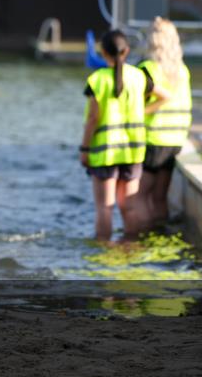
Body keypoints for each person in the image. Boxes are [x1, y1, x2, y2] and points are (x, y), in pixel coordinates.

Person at [79, 30, 170, 241]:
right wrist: (144, 111)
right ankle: (130, 247)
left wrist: (84, 149)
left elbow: (92, 119)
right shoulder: (138, 76)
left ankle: (103, 251)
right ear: (126, 51)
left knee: (105, 208)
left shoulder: (97, 80)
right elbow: (165, 96)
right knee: (129, 207)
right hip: (132, 152)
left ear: (102, 53)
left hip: (104, 153)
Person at [137, 17, 192, 224]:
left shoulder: (148, 69)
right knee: (160, 197)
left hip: (154, 140)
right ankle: (160, 235)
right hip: (175, 140)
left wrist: (141, 113)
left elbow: (144, 101)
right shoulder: (182, 70)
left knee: (139, 196)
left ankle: (140, 238)